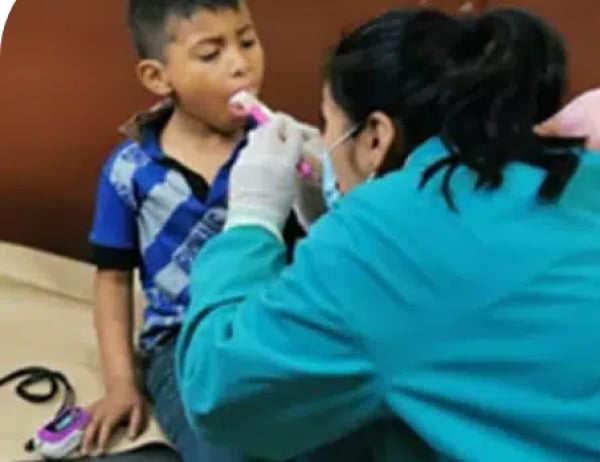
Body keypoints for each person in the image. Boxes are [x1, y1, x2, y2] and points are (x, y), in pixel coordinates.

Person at [175, 8, 600, 462]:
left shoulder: (386, 234)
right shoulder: (573, 167)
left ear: (376, 136)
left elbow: (218, 394)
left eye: (328, 126)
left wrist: (252, 218)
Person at [83, 0, 303, 460]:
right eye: (211, 53)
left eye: (247, 41)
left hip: (269, 323)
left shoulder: (279, 153)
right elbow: (112, 279)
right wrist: (122, 383)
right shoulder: (129, 172)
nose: (241, 64)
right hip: (178, 343)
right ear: (158, 78)